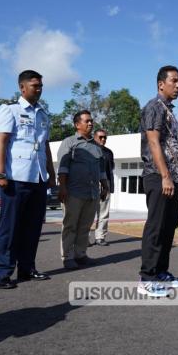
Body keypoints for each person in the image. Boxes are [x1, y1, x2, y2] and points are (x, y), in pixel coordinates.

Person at [0, 70, 56, 289]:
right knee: (10, 227)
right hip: (16, 177)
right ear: (22, 87)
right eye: (35, 85)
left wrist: (51, 175)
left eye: (40, 86)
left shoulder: (43, 114)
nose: (38, 89)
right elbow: (1, 142)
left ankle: (27, 268)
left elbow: (45, 145)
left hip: (37, 177)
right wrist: (0, 173)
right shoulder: (10, 110)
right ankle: (3, 272)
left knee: (33, 227)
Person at [137, 65, 178, 297]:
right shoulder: (154, 107)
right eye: (174, 81)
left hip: (172, 176)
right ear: (161, 84)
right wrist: (165, 175)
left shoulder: (169, 110)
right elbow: (154, 142)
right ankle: (146, 277)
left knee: (170, 223)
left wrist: (172, 176)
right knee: (156, 226)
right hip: (158, 176)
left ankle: (161, 272)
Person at [57, 110, 109, 270]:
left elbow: (101, 170)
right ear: (77, 124)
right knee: (70, 226)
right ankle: (67, 257)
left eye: (91, 121)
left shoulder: (96, 146)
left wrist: (105, 186)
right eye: (87, 121)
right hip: (73, 192)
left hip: (92, 193)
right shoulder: (69, 142)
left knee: (85, 227)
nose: (90, 123)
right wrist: (63, 187)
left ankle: (80, 254)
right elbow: (63, 167)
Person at [92, 128, 114, 246]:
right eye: (100, 137)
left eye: (105, 137)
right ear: (94, 137)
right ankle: (84, 239)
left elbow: (110, 170)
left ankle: (100, 237)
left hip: (106, 184)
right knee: (88, 213)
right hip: (92, 184)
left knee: (104, 212)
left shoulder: (109, 152)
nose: (103, 139)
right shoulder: (88, 149)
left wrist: (108, 186)